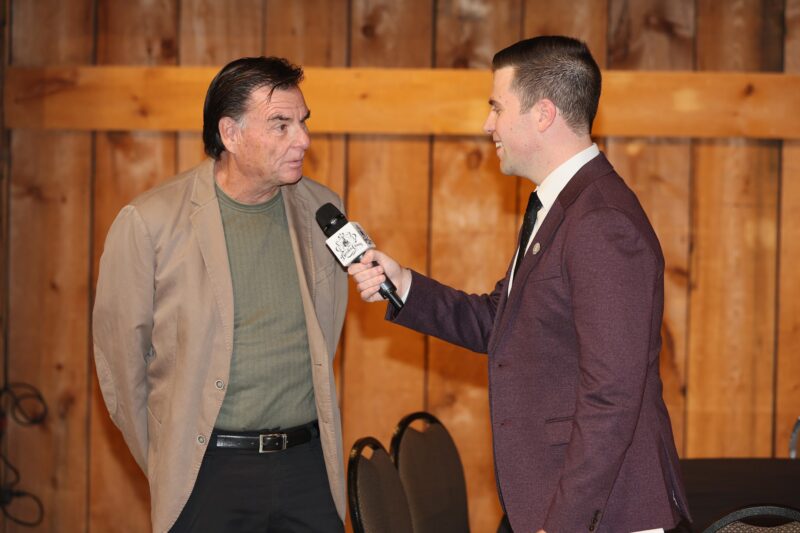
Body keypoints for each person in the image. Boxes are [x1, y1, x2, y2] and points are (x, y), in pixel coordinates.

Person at [348, 36, 692, 533]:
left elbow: (611, 399)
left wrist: (564, 523)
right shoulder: (561, 206)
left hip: (602, 515)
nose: (488, 124)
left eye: (497, 107)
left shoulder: (600, 220)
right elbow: (502, 322)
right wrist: (403, 284)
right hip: (558, 503)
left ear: (543, 114)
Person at [93, 57, 348, 532]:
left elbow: (328, 330)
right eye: (281, 125)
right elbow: (120, 367)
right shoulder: (149, 222)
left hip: (309, 467)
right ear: (230, 134)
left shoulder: (324, 209)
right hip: (208, 474)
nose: (303, 139)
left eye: (303, 122)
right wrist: (170, 460)